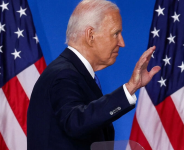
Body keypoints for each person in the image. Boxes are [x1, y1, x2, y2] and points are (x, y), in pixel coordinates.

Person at [27, 0, 161, 149]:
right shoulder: (63, 75)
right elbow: (76, 122)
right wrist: (129, 88)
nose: (122, 43)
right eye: (115, 33)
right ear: (90, 35)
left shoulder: (75, 73)